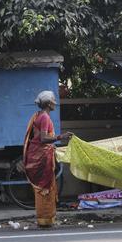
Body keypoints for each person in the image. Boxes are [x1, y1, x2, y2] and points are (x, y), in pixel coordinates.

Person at [22, 90, 72, 228]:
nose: (55, 103)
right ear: (49, 103)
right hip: (42, 157)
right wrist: (60, 137)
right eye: (53, 101)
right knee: (46, 188)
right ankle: (45, 219)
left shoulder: (38, 115)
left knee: (45, 189)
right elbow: (44, 139)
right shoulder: (44, 117)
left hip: (40, 154)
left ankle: (45, 218)